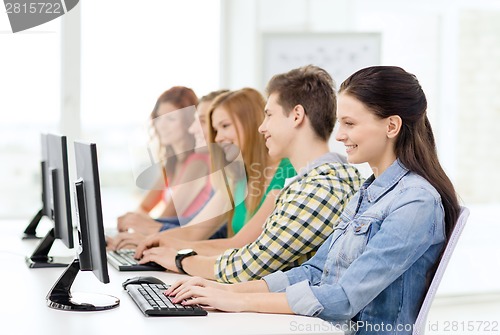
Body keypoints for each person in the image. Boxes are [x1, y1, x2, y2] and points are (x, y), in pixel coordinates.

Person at [165, 66, 461, 335]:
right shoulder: (366, 192)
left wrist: (238, 300)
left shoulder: (416, 202)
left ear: (391, 126)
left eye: (349, 124)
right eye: (340, 123)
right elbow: (315, 271)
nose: (340, 135)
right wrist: (226, 291)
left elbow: (344, 298)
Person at [136, 65, 363, 283]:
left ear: (296, 116)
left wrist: (179, 258)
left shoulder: (318, 187)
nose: (262, 127)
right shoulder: (299, 183)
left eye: (269, 115)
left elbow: (250, 262)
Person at [111, 88, 297, 250]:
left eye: (225, 126)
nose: (217, 138)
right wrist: (149, 241)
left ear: (250, 123)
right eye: (216, 129)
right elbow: (193, 232)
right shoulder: (238, 176)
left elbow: (239, 244)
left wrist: (154, 242)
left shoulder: (286, 173)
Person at [114, 86, 211, 237]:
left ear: (189, 122)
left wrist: (136, 227)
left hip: (184, 242)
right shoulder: (171, 164)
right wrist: (131, 223)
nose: (162, 125)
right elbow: (145, 207)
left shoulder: (198, 163)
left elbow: (167, 216)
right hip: (169, 238)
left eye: (171, 119)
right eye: (159, 118)